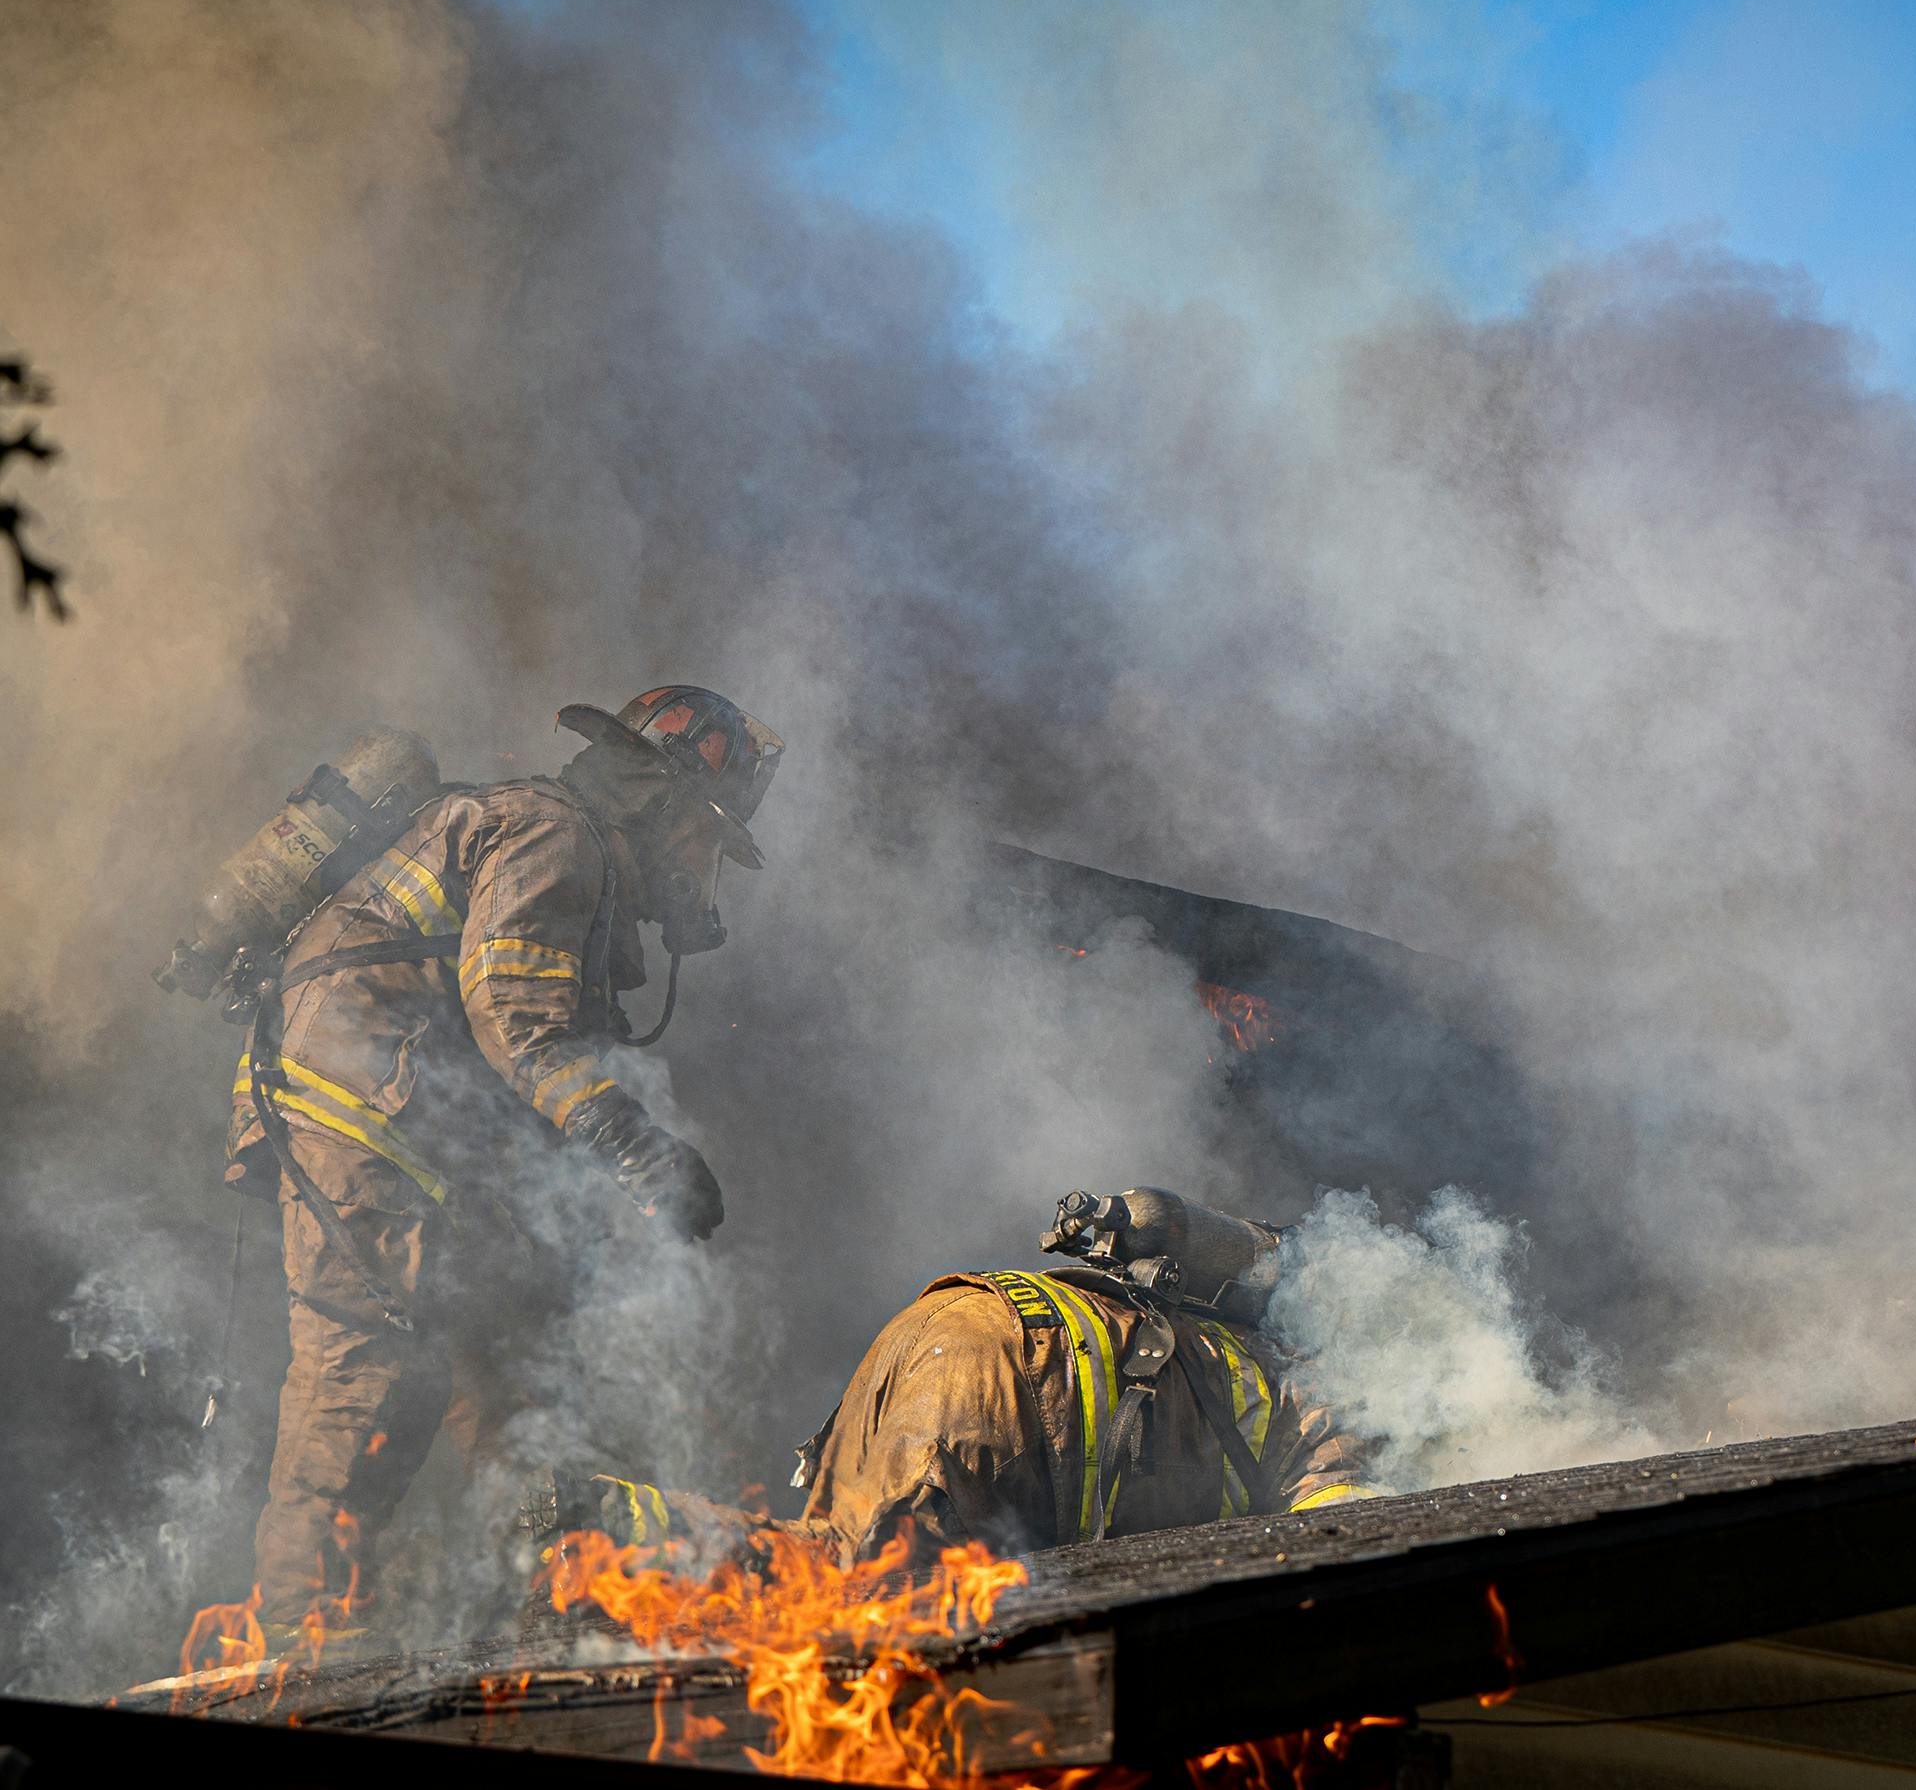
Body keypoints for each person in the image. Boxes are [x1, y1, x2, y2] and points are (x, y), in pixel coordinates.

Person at [232, 684, 781, 1649]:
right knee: (365, 1377)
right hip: (363, 1122)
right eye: (709, 839)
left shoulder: (562, 840)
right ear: (664, 803)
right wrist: (638, 1149)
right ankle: (289, 1661)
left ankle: (554, 1602)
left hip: (415, 1138)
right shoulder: (555, 835)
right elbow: (517, 1023)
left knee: (519, 1374)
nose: (705, 871)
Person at [553, 1189, 1369, 1568]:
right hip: (1025, 1375)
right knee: (880, 1601)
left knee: (837, 1552)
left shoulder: (1213, 1338)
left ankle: (616, 1512)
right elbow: (1342, 1550)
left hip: (947, 1321)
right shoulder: (1329, 1389)